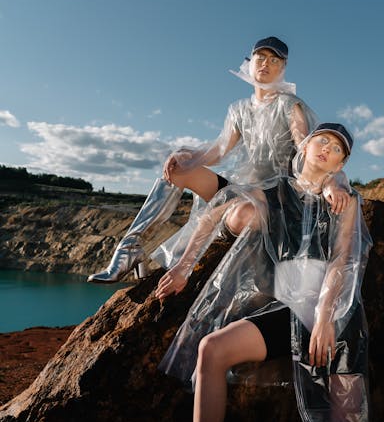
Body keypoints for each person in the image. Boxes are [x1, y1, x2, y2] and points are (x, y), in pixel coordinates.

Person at [155, 123, 373, 422]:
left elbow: (344, 260)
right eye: (322, 141)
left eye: (338, 149)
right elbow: (218, 208)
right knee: (211, 350)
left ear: (343, 163)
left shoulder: (346, 201)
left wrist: (327, 316)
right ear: (306, 145)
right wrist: (183, 267)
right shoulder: (274, 191)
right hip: (289, 312)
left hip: (339, 318)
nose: (327, 149)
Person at [87, 37, 351, 283]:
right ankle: (130, 249)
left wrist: (333, 182)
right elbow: (219, 151)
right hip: (236, 189)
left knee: (238, 210)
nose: (266, 64)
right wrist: (186, 155)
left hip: (272, 196)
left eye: (274, 60)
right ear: (251, 62)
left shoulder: (289, 105)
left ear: (283, 67)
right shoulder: (239, 109)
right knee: (178, 170)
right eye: (261, 57)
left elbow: (308, 149)